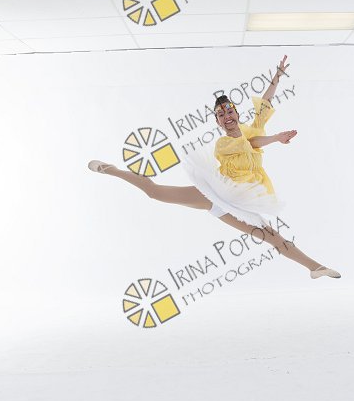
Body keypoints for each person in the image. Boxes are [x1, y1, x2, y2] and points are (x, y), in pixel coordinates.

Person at [88, 55, 340, 279]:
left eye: (230, 112)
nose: (227, 116)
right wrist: (275, 138)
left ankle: (315, 268)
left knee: (274, 237)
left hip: (240, 203)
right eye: (221, 115)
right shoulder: (224, 143)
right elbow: (251, 144)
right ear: (218, 122)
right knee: (155, 192)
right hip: (216, 192)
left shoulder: (252, 129)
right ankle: (111, 169)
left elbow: (265, 103)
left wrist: (277, 76)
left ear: (236, 114)